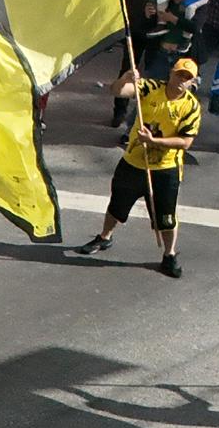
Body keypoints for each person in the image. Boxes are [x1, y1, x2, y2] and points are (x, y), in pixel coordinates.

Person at [67, 59, 200, 276]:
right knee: (117, 204)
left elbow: (185, 142)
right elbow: (118, 91)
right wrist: (125, 79)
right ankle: (104, 237)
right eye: (179, 75)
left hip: (165, 168)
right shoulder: (150, 88)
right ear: (171, 73)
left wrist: (155, 142)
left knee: (166, 217)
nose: (181, 81)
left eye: (187, 78)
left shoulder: (191, 106)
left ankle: (169, 255)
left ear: (192, 82)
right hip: (133, 161)